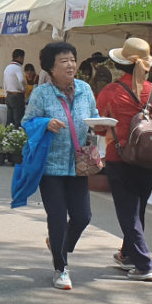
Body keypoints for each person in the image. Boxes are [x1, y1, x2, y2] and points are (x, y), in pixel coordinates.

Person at [23, 41, 109, 290]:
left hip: (79, 165)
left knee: (83, 216)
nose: (71, 64)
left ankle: (59, 244)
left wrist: (101, 124)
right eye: (64, 61)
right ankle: (61, 268)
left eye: (72, 59)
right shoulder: (42, 94)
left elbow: (92, 116)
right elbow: (27, 122)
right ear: (50, 67)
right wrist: (45, 123)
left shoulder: (84, 88)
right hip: (50, 167)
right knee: (58, 217)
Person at [95, 38, 152, 282]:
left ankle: (143, 264)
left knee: (128, 212)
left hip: (119, 157)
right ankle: (127, 255)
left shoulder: (110, 92)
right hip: (150, 159)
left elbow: (97, 127)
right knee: (138, 209)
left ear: (120, 65)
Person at [3, 49, 28, 127]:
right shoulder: (17, 68)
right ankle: (17, 137)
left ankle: (8, 136)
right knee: (18, 120)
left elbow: (4, 83)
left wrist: (5, 92)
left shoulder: (7, 68)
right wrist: (24, 88)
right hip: (17, 96)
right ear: (20, 58)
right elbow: (21, 79)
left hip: (9, 95)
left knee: (10, 120)